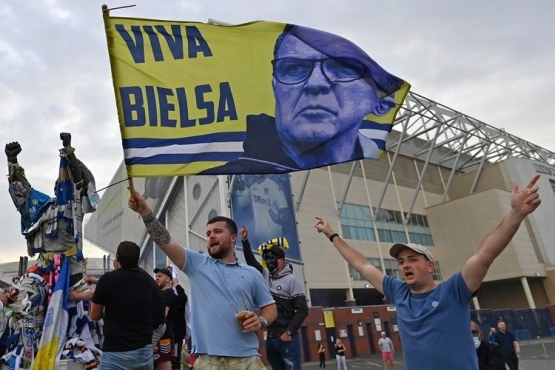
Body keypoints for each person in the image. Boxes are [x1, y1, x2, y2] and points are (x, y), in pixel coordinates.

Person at [314, 174, 541, 370]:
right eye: (401, 261)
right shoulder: (399, 291)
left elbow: (484, 255)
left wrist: (515, 215)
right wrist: (332, 234)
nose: (405, 265)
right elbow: (362, 265)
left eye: (413, 259)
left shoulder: (453, 291)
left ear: (430, 266)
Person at [203, 24, 406, 174]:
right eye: (294, 68)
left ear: (381, 103)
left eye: (342, 69)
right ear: (275, 88)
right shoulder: (228, 172)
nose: (315, 83)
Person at [128, 190, 278, 370]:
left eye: (217, 231)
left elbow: (270, 308)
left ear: (233, 238)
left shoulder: (252, 273)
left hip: (246, 360)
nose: (211, 236)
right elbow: (163, 240)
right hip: (208, 362)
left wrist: (260, 321)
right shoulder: (196, 264)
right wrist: (146, 212)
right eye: (208, 234)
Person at [5, 134, 98, 287]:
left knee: (77, 305)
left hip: (71, 269)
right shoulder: (44, 206)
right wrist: (12, 161)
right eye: (58, 184)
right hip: (43, 267)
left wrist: (69, 150)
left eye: (64, 184)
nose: (60, 186)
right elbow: (22, 193)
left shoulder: (74, 206)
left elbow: (78, 181)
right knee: (25, 297)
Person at [240, 226, 308, 370]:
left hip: (287, 338)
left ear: (281, 260)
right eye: (266, 258)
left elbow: (302, 310)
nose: (268, 261)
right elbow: (252, 262)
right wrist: (245, 241)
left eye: (272, 258)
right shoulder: (265, 275)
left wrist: (289, 333)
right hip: (271, 339)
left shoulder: (292, 281)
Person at [90, 241, 154, 370]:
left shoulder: (107, 279)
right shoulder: (147, 280)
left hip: (115, 350)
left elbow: (94, 315)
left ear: (117, 258)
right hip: (143, 350)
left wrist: (107, 311)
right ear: (137, 260)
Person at [154, 267, 177, 370]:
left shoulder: (168, 293)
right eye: (156, 276)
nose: (157, 278)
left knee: (164, 364)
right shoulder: (161, 294)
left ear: (167, 279)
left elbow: (163, 315)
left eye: (160, 276)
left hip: (164, 337)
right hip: (159, 336)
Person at [167, 265, 188, 370]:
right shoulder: (162, 294)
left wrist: (176, 284)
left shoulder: (174, 296)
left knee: (173, 362)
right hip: (165, 336)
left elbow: (182, 299)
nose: (157, 278)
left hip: (175, 336)